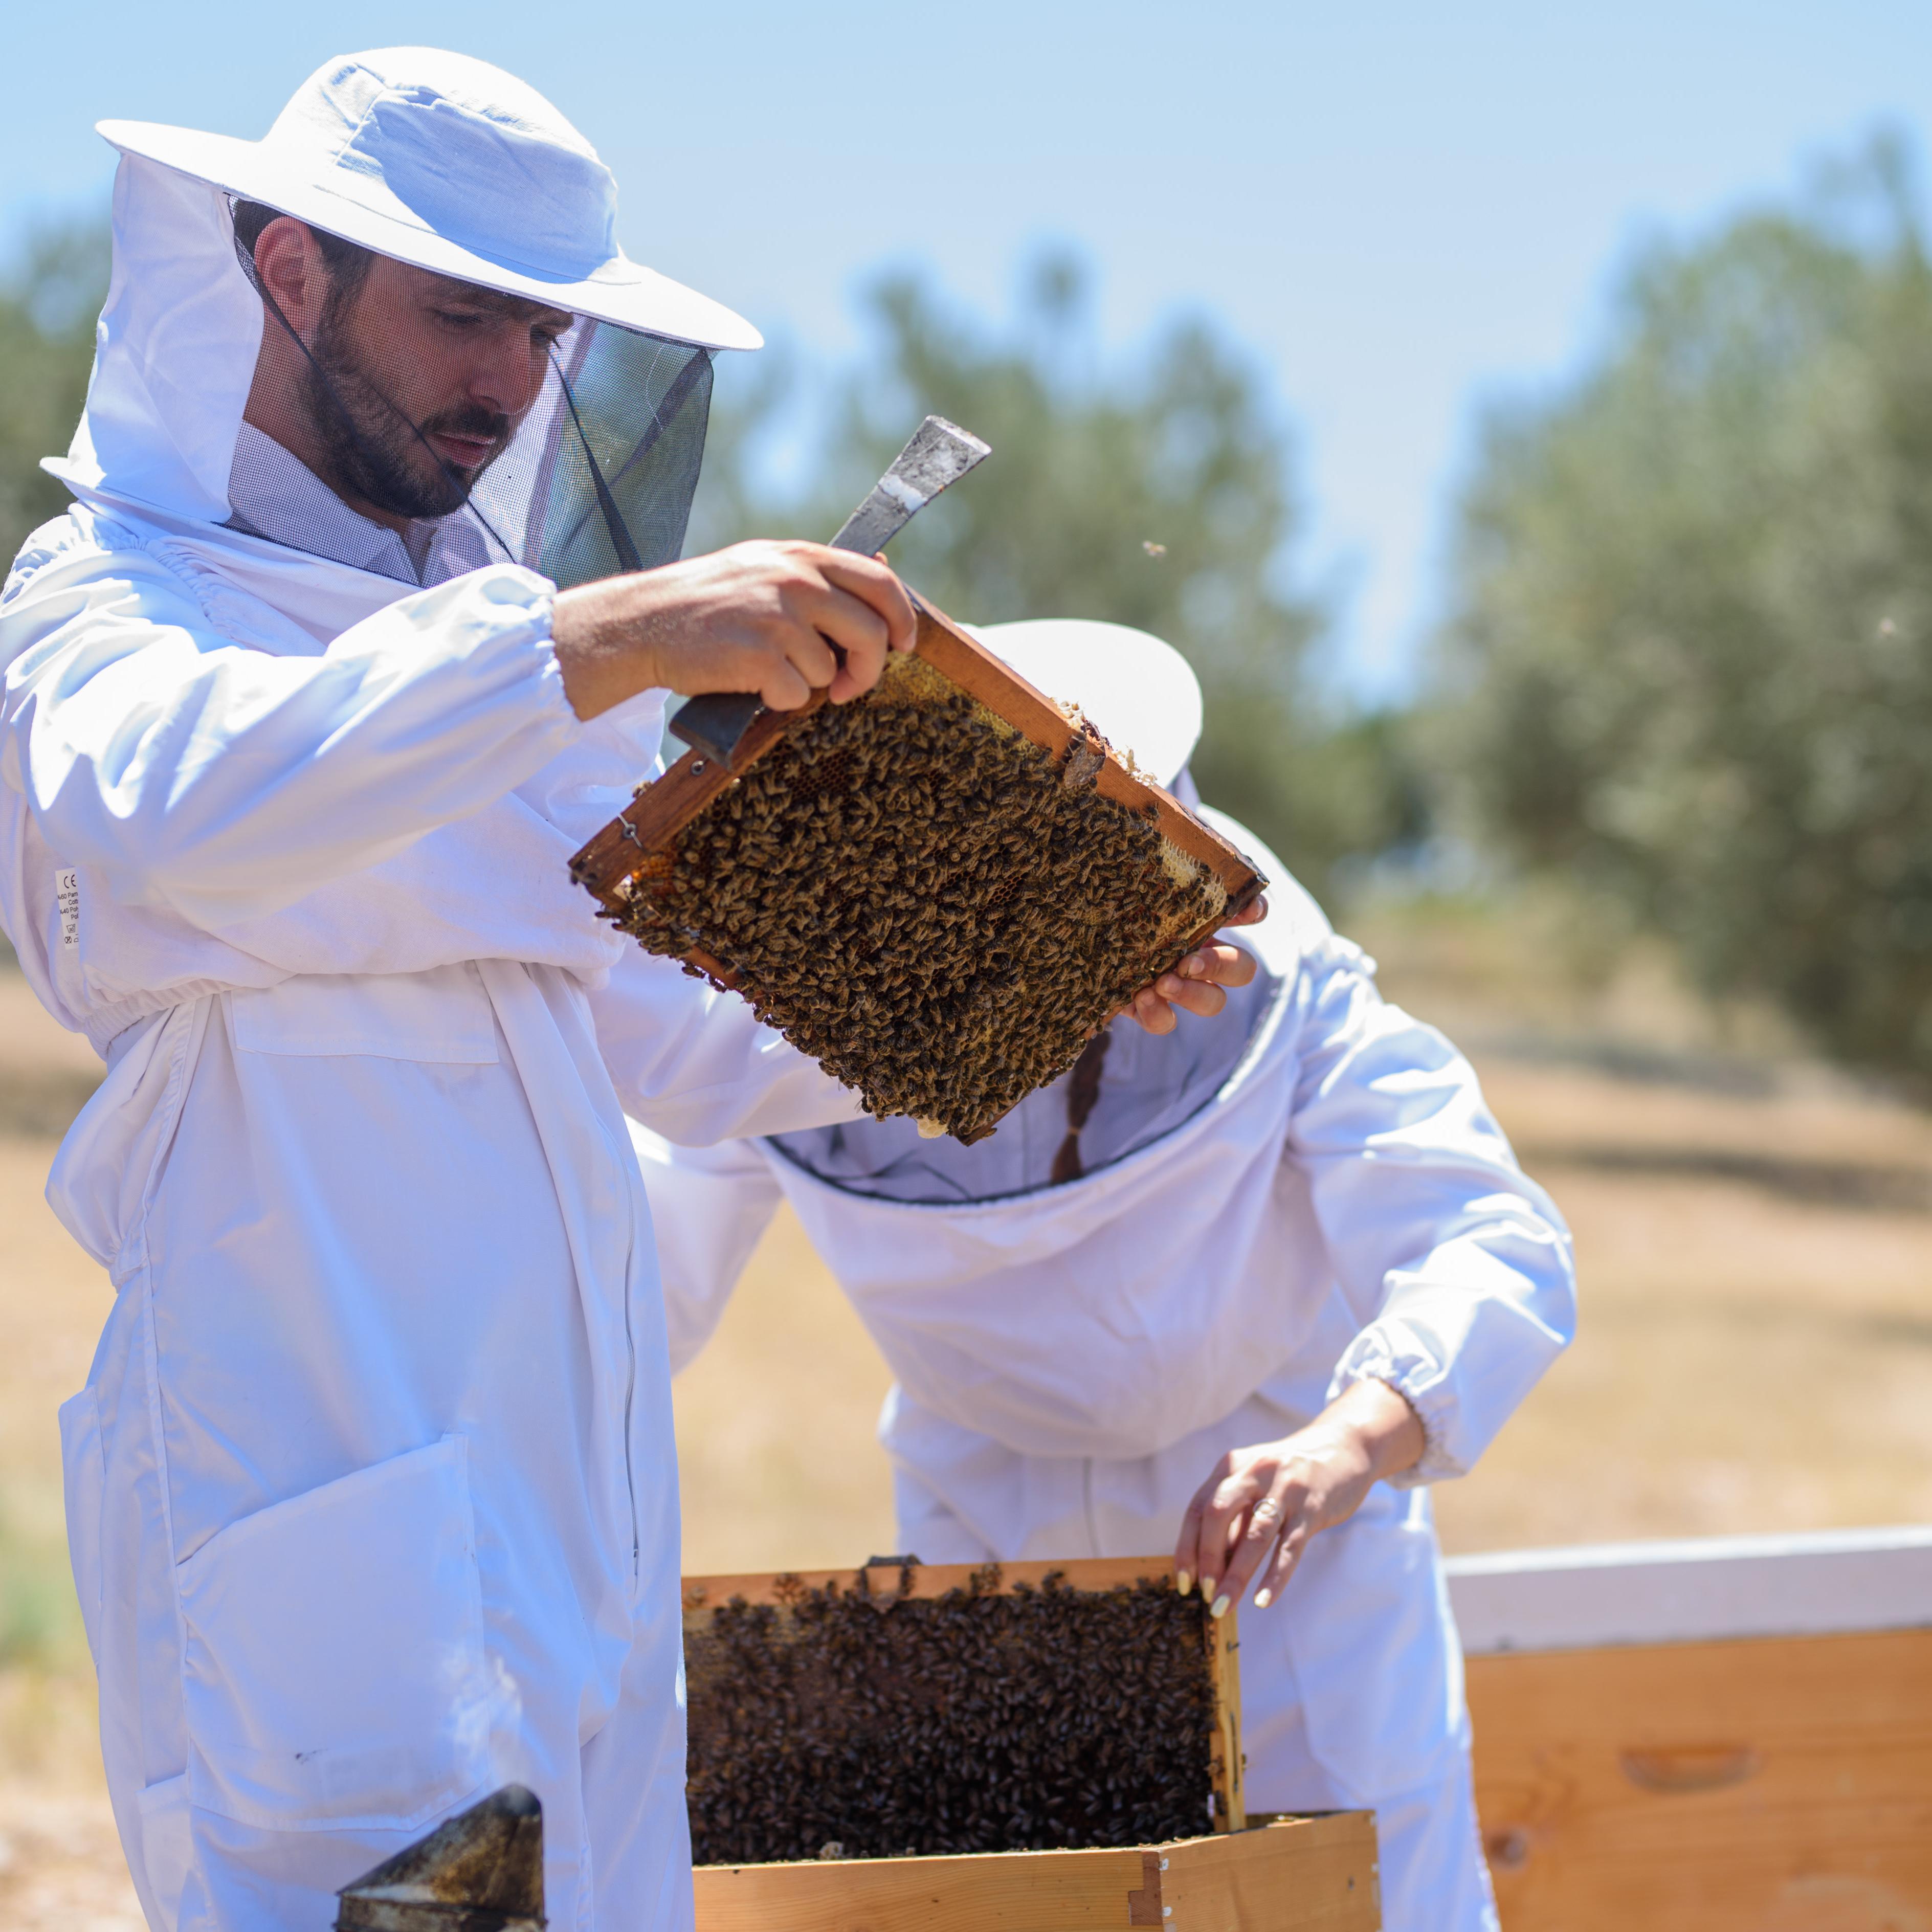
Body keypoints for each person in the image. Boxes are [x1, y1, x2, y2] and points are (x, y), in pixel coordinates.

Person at [0, 55, 1252, 1932]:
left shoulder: (489, 652)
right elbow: (172, 812)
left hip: (564, 1532)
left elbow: (676, 1023)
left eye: (540, 329)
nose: (505, 381)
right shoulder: (112, 593)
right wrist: (598, 637)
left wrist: (1045, 958)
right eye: (458, 311)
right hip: (324, 1525)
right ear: (283, 272)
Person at [637, 619, 1577, 1932]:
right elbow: (629, 1282)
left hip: (1276, 1532)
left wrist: (1345, 1444)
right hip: (981, 1532)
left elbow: (1493, 1240)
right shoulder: (813, 1031)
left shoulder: (1295, 997)